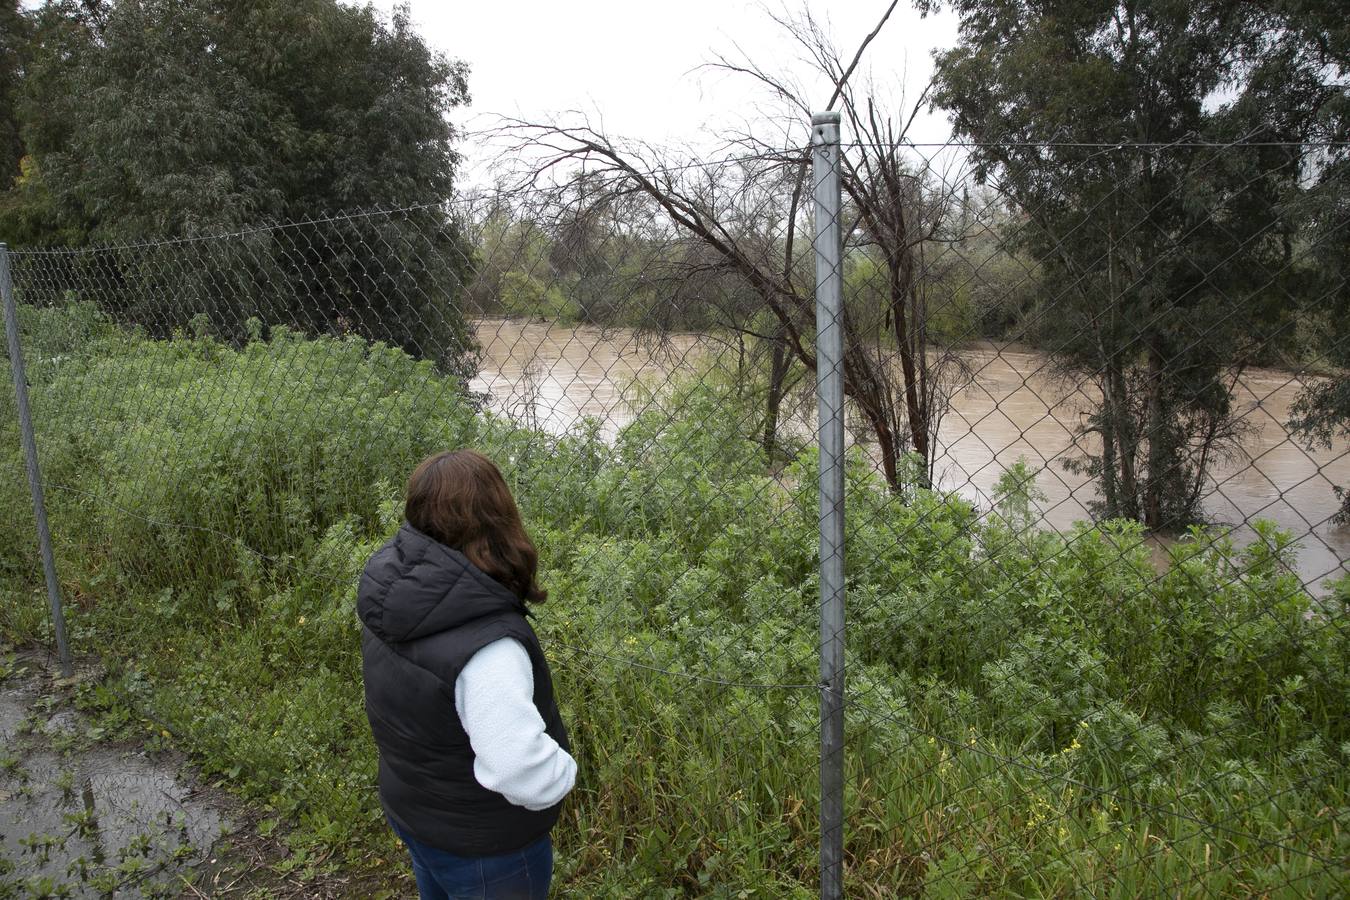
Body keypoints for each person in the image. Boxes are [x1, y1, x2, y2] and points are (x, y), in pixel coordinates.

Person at [358, 449, 576, 900]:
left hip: (417, 814)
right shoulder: (488, 647)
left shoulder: (392, 593)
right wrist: (562, 774)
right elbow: (516, 766)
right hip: (487, 849)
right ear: (499, 519)